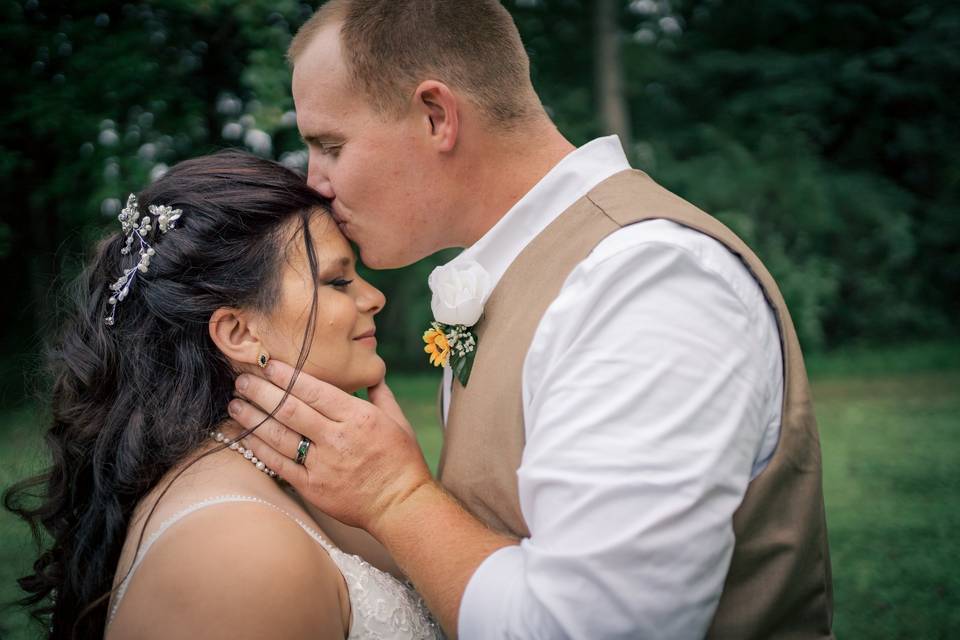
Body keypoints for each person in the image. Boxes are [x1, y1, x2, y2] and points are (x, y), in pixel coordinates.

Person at [231, 1, 834, 639]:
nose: (313, 182)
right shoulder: (535, 273)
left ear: (436, 116)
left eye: (330, 145)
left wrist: (394, 497)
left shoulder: (646, 281)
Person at [4, 151, 442, 639]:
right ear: (238, 332)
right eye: (337, 281)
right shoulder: (236, 552)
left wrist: (403, 491)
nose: (373, 297)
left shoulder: (298, 476)